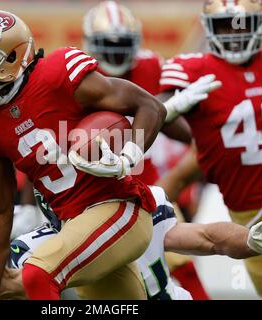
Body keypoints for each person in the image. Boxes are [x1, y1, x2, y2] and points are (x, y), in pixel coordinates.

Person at [0, 9, 219, 300]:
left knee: (41, 273)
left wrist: (127, 157)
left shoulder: (58, 73)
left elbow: (150, 107)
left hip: (120, 202)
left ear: (12, 57)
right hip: (68, 222)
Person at [157, 0, 262, 299]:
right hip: (250, 215)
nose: (234, 33)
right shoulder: (193, 69)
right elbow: (154, 111)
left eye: (243, 25)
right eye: (224, 25)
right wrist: (182, 121)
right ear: (209, 28)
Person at [0, 185, 262, 300]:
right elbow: (10, 283)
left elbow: (205, 237)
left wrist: (250, 239)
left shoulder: (136, 209)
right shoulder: (42, 242)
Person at [82, 0, 210, 299]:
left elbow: (172, 127)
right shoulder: (78, 75)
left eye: (122, 43)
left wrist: (172, 112)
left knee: (179, 259)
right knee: (103, 274)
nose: (115, 51)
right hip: (93, 191)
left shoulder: (150, 65)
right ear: (90, 44)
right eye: (107, 44)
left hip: (145, 183)